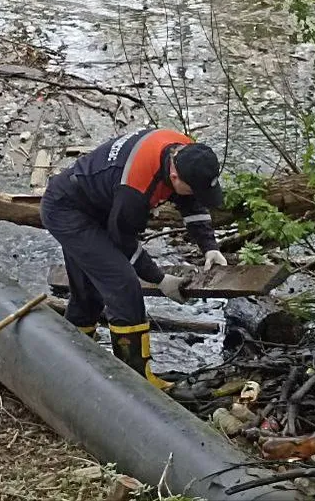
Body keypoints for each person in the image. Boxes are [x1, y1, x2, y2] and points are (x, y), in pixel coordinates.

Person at [39, 128, 229, 391]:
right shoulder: (136, 187)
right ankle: (136, 377)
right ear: (174, 175)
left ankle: (70, 356)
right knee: (122, 283)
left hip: (101, 204)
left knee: (89, 291)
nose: (193, 194)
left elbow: (191, 202)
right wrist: (160, 279)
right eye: (189, 188)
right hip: (69, 210)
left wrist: (210, 247)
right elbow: (123, 240)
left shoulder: (188, 153)